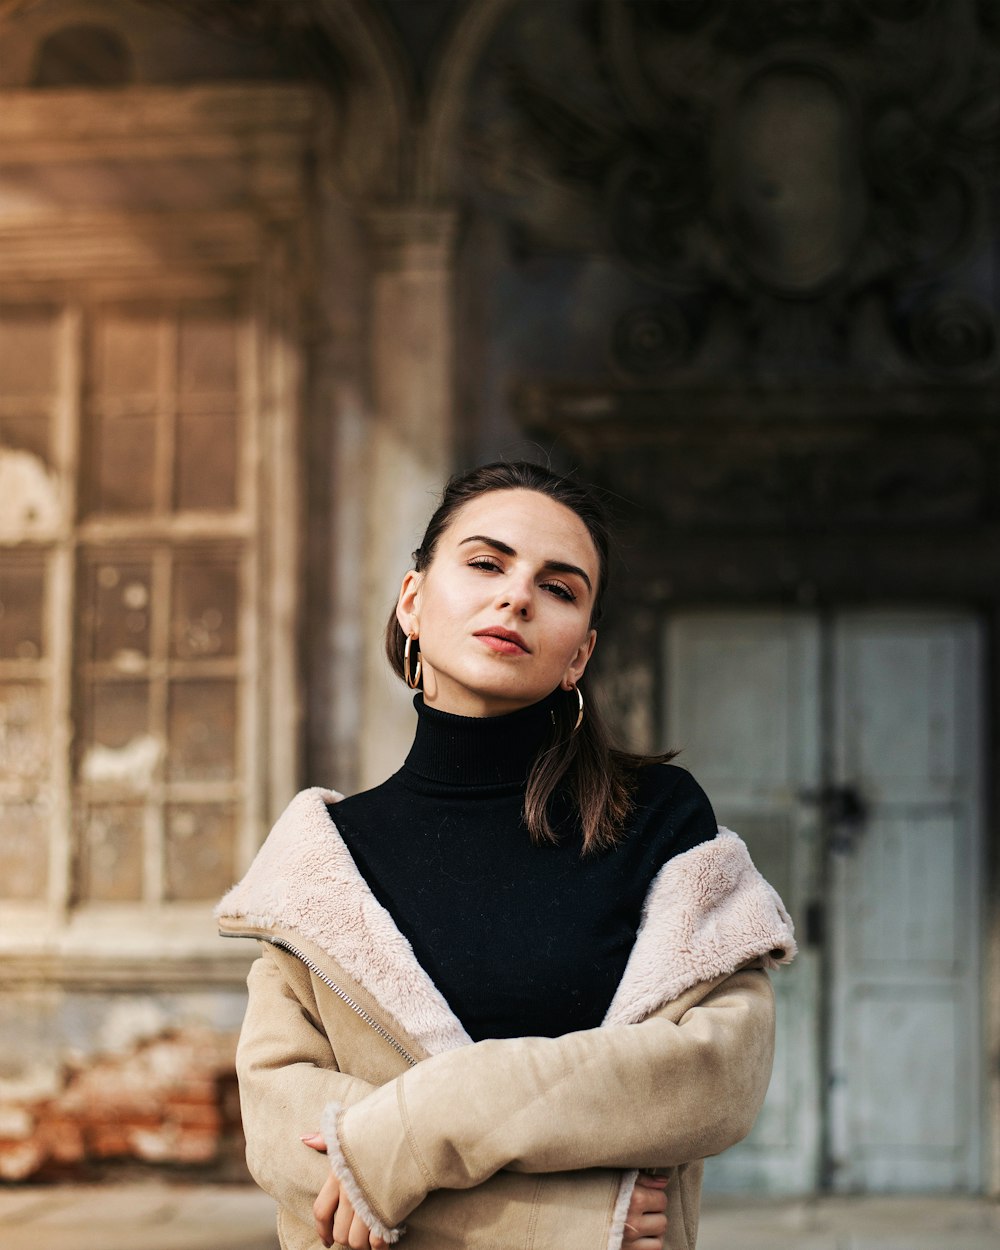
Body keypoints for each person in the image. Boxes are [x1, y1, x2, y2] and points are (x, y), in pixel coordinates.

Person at [216, 461, 795, 1250]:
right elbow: (285, 1137)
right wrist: (572, 1225)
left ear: (579, 655)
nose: (517, 595)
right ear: (413, 601)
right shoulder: (324, 865)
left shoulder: (658, 820)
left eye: (559, 587)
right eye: (486, 563)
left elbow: (716, 1071)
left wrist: (418, 1127)